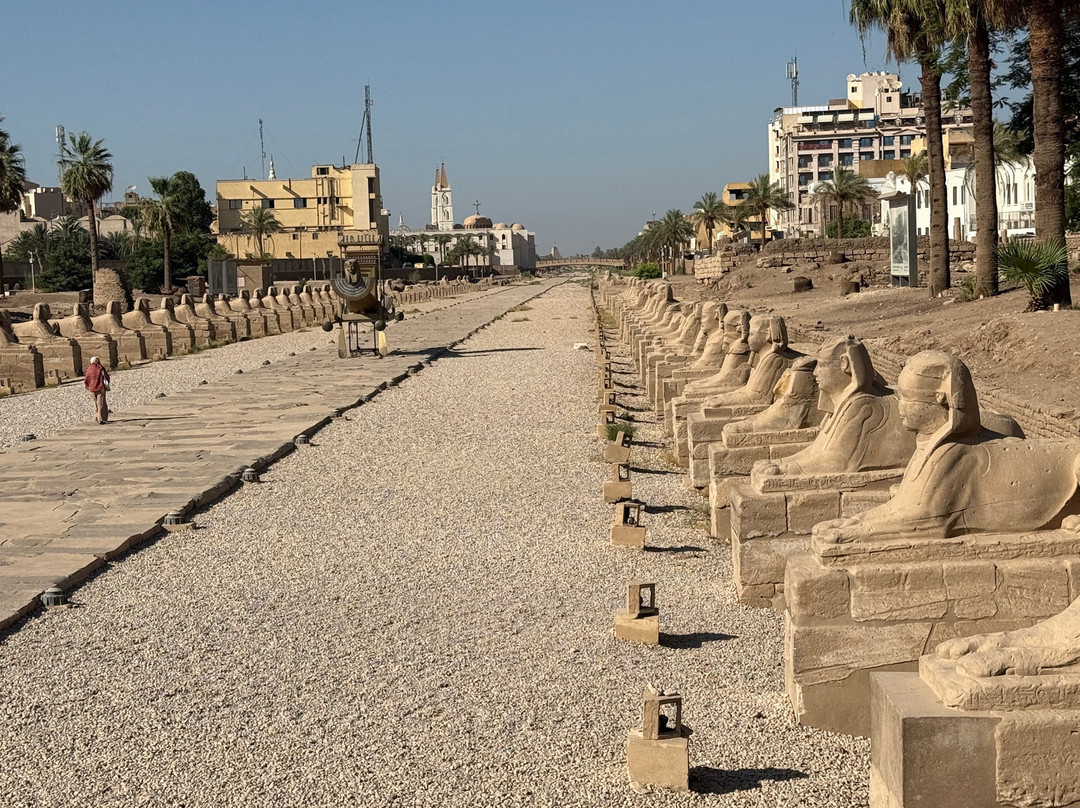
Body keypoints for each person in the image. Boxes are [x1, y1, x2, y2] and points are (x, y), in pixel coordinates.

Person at [84, 356, 110, 424]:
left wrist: (88, 386)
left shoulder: (89, 369)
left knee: (95, 403)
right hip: (100, 387)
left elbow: (86, 378)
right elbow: (106, 376)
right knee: (101, 403)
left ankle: (96, 417)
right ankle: (101, 418)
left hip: (92, 388)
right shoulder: (100, 368)